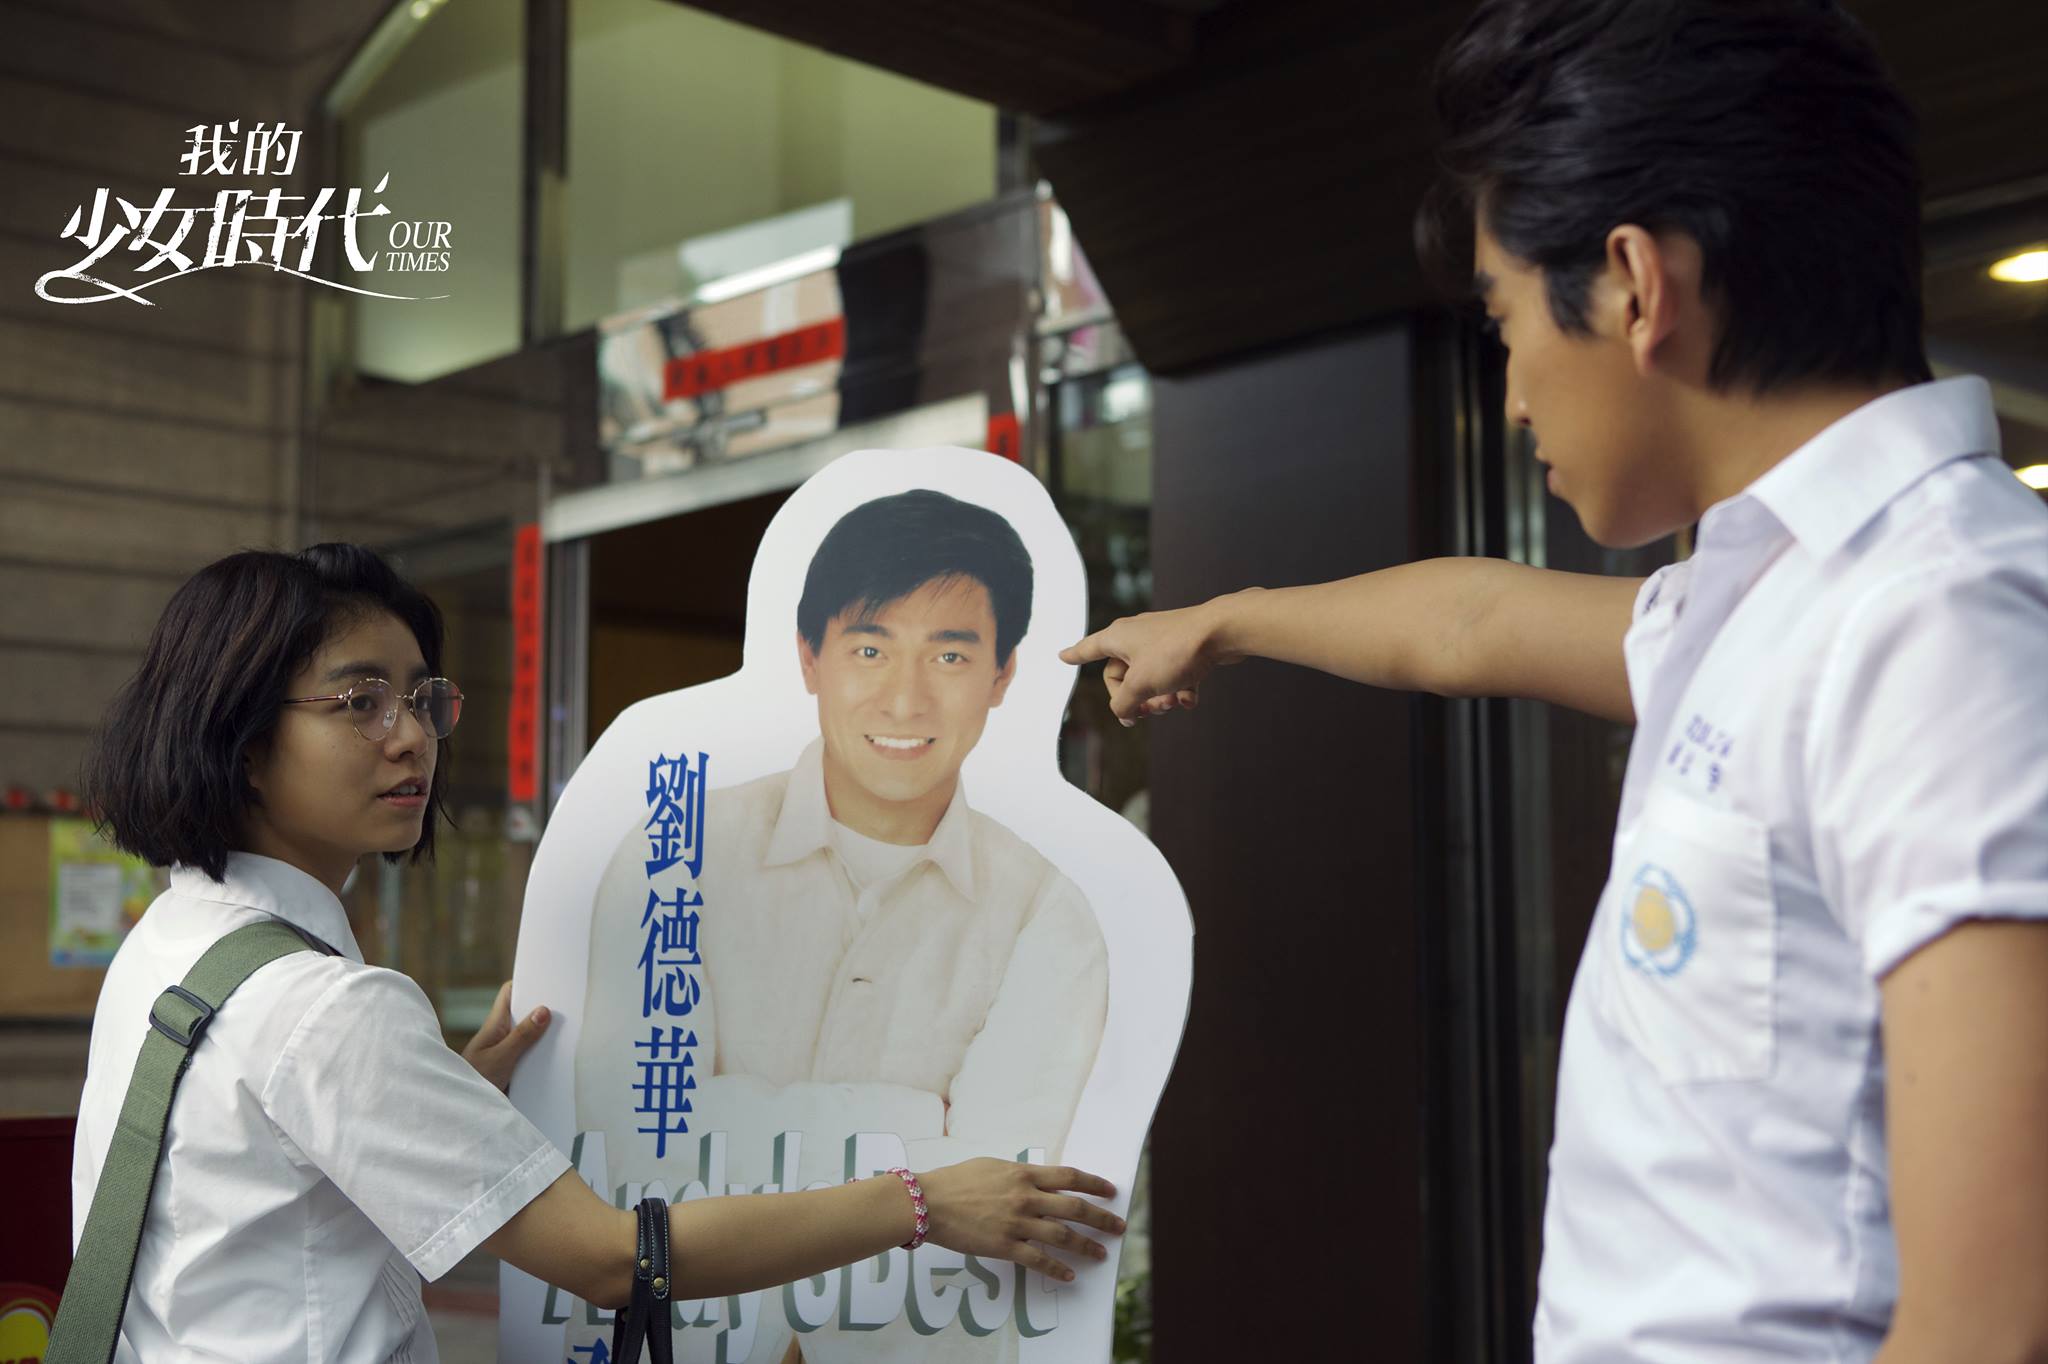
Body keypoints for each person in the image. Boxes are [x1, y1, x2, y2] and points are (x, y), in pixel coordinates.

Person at [1064, 1, 2048, 1360]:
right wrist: (1219, 621)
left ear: (1637, 285)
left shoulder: (1943, 615)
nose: (1513, 394)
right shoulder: (1772, 597)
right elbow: (1467, 620)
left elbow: (1992, 1322)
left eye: (1506, 318)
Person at [69, 543, 1122, 1364]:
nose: (409, 736)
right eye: (358, 702)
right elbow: (614, 1257)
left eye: (420, 697)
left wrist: (439, 1090)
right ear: (241, 740)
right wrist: (922, 1200)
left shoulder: (175, 939)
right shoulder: (328, 1009)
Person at [575, 490, 1110, 1362]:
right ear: (809, 657)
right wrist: (914, 1136)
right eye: (870, 647)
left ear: (1003, 675)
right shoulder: (677, 857)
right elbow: (638, 1143)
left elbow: (1008, 1193)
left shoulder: (1048, 905)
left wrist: (740, 1120)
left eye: (948, 654)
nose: (906, 700)